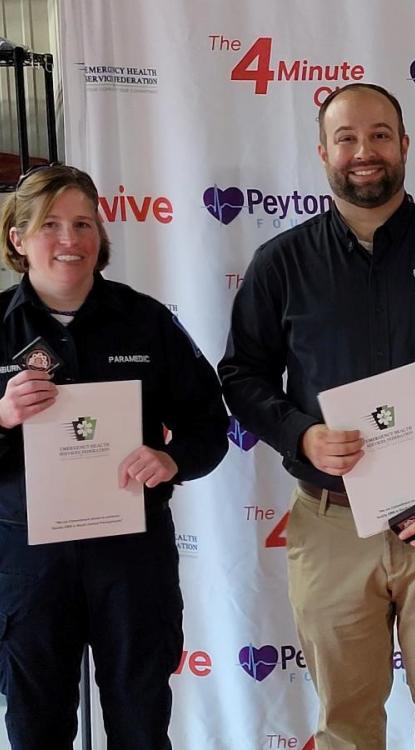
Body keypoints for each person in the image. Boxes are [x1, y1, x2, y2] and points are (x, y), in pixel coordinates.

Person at [217, 83, 415, 750]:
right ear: (323, 151)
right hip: (331, 523)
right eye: (348, 137)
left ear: (405, 145)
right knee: (345, 725)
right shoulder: (282, 263)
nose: (365, 151)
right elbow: (240, 374)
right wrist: (299, 432)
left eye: (381, 135)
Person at [0, 164, 228, 749]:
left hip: (131, 558)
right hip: (28, 564)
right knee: (34, 726)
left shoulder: (145, 320)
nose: (70, 240)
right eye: (49, 225)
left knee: (140, 723)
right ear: (18, 239)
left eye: (83, 223)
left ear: (101, 236)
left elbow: (208, 421)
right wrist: (1, 417)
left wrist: (173, 460)